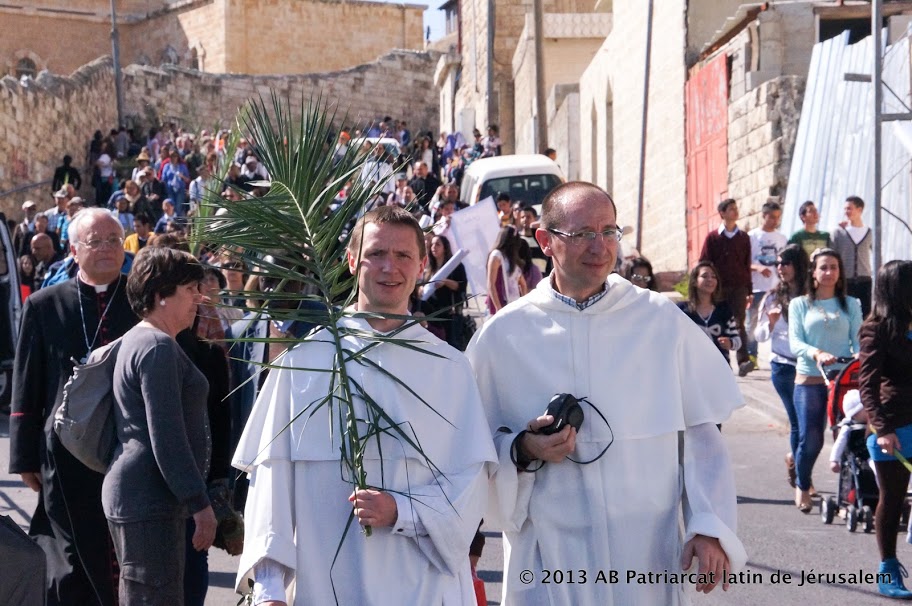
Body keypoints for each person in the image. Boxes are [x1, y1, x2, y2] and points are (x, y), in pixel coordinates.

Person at [467, 182, 746, 605]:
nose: (600, 247)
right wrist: (523, 448)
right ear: (546, 241)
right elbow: (472, 450)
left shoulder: (659, 322)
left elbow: (701, 435)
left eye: (609, 232)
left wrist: (708, 525)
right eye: (582, 234)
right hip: (549, 557)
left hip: (645, 555)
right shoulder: (504, 336)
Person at [232, 206, 496, 604]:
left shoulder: (451, 369)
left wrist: (402, 511)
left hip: (423, 585)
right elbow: (271, 479)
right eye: (376, 253)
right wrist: (269, 587)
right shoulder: (306, 360)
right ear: (353, 261)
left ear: (422, 265)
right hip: (328, 582)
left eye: (404, 255)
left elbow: (470, 483)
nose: (390, 267)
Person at [9, 208, 138, 606]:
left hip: (128, 450)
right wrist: (24, 457)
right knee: (69, 554)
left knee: (125, 550)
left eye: (114, 240)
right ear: (73, 249)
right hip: (62, 455)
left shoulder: (142, 301)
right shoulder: (46, 304)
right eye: (95, 241)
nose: (105, 249)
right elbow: (27, 382)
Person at [104, 246, 217, 605]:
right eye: (188, 289)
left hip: (142, 496)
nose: (197, 298)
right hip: (149, 500)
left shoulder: (145, 339)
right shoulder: (157, 347)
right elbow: (166, 438)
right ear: (160, 296)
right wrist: (200, 504)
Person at [788, 248, 862, 513]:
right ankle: (803, 483)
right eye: (824, 267)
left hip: (844, 380)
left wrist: (857, 355)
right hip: (810, 377)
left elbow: (858, 339)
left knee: (849, 438)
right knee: (811, 438)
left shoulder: (851, 304)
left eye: (834, 267)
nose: (829, 272)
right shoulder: (799, 304)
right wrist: (816, 353)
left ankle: (848, 496)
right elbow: (795, 341)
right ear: (814, 272)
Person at [858, 260, 912, 598]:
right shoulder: (876, 329)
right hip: (893, 425)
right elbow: (867, 386)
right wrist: (881, 429)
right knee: (892, 497)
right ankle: (888, 568)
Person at [753, 244, 809, 489]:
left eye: (785, 263)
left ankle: (795, 461)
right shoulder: (773, 296)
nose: (780, 268)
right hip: (783, 367)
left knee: (808, 425)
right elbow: (759, 335)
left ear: (799, 265)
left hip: (809, 367)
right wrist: (772, 324)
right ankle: (803, 476)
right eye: (778, 263)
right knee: (798, 421)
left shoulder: (812, 295)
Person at [699, 198, 753, 376]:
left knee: (739, 323)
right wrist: (706, 286)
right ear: (722, 213)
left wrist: (749, 290)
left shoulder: (744, 237)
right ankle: (720, 361)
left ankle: (743, 360)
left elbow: (747, 264)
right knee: (718, 322)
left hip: (739, 287)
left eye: (736, 208)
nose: (735, 212)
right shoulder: (713, 238)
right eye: (731, 209)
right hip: (718, 288)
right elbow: (704, 262)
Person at [746, 200, 787, 361]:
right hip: (757, 287)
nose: (775, 221)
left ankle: (778, 353)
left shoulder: (782, 238)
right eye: (772, 217)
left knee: (778, 320)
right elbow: (743, 263)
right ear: (763, 216)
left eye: (778, 217)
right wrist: (758, 268)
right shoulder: (752, 237)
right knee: (753, 321)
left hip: (777, 287)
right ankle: (751, 356)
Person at [677, 262, 741, 360]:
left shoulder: (724, 309)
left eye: (713, 276)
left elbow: (737, 340)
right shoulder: (682, 310)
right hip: (692, 367)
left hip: (720, 367)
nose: (710, 279)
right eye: (704, 276)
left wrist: (730, 343)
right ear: (694, 281)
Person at [420, 234, 468, 349]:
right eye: (432, 245)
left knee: (451, 346)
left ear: (445, 248)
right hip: (431, 314)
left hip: (449, 314)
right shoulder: (429, 266)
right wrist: (421, 288)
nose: (433, 247)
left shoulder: (456, 266)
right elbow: (423, 283)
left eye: (437, 244)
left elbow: (461, 286)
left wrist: (445, 282)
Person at [832, 195, 873, 317]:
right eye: (845, 209)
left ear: (859, 210)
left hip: (865, 279)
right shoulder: (838, 232)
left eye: (849, 208)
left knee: (866, 314)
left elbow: (876, 253)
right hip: (845, 280)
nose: (846, 212)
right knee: (845, 313)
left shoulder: (870, 232)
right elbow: (832, 255)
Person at [485, 225, 527, 315]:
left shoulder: (512, 259)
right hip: (501, 303)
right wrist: (498, 308)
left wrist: (525, 304)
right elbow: (491, 284)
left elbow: (523, 284)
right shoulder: (496, 255)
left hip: (514, 304)